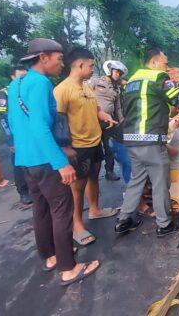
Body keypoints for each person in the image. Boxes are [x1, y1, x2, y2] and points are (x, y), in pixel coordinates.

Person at [8, 38, 99, 286]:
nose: (62, 63)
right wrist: (61, 162)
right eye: (59, 59)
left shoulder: (17, 83)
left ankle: (49, 256)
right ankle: (68, 268)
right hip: (45, 160)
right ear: (44, 57)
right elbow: (40, 125)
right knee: (62, 211)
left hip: (26, 160)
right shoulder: (40, 83)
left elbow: (16, 123)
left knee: (41, 209)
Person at [54, 48, 117, 246]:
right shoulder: (62, 90)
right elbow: (58, 121)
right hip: (77, 146)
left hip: (94, 141)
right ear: (80, 65)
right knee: (77, 187)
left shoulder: (86, 87)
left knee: (93, 177)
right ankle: (77, 225)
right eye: (90, 65)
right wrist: (65, 147)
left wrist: (104, 115)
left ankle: (95, 209)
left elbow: (95, 108)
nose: (92, 69)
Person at [115, 49, 179, 237]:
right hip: (151, 140)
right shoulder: (159, 76)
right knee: (160, 182)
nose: (167, 67)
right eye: (165, 62)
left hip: (131, 140)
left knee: (137, 180)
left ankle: (124, 220)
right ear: (153, 62)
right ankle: (164, 224)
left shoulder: (133, 80)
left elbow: (150, 105)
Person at [0, 66, 32, 205]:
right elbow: (3, 118)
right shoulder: (5, 93)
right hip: (17, 136)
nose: (24, 80)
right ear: (12, 77)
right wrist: (10, 141)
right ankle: (23, 192)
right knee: (19, 164)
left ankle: (36, 189)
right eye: (20, 77)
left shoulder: (29, 91)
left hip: (32, 134)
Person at [91, 60, 131, 183]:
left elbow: (118, 107)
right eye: (115, 71)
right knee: (93, 146)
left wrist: (121, 121)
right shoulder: (95, 81)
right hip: (93, 120)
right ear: (109, 69)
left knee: (109, 148)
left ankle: (109, 171)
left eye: (119, 72)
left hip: (110, 122)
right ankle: (91, 172)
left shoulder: (116, 88)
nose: (117, 74)